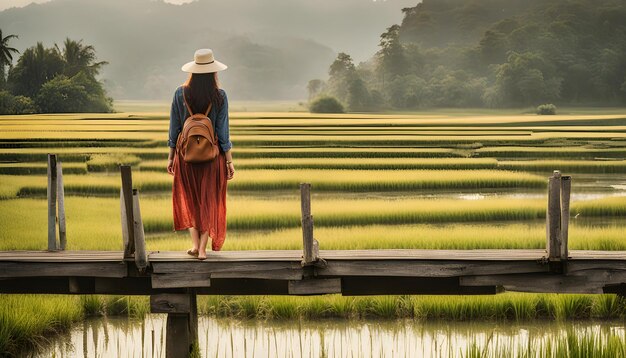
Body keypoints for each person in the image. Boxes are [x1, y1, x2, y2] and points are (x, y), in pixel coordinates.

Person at [167, 48, 235, 260]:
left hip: (185, 157)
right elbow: (223, 132)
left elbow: (174, 127)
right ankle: (204, 249)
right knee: (209, 200)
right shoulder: (219, 96)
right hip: (212, 158)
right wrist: (229, 161)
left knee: (190, 199)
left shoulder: (180, 93)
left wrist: (170, 157)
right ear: (214, 72)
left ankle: (195, 246)